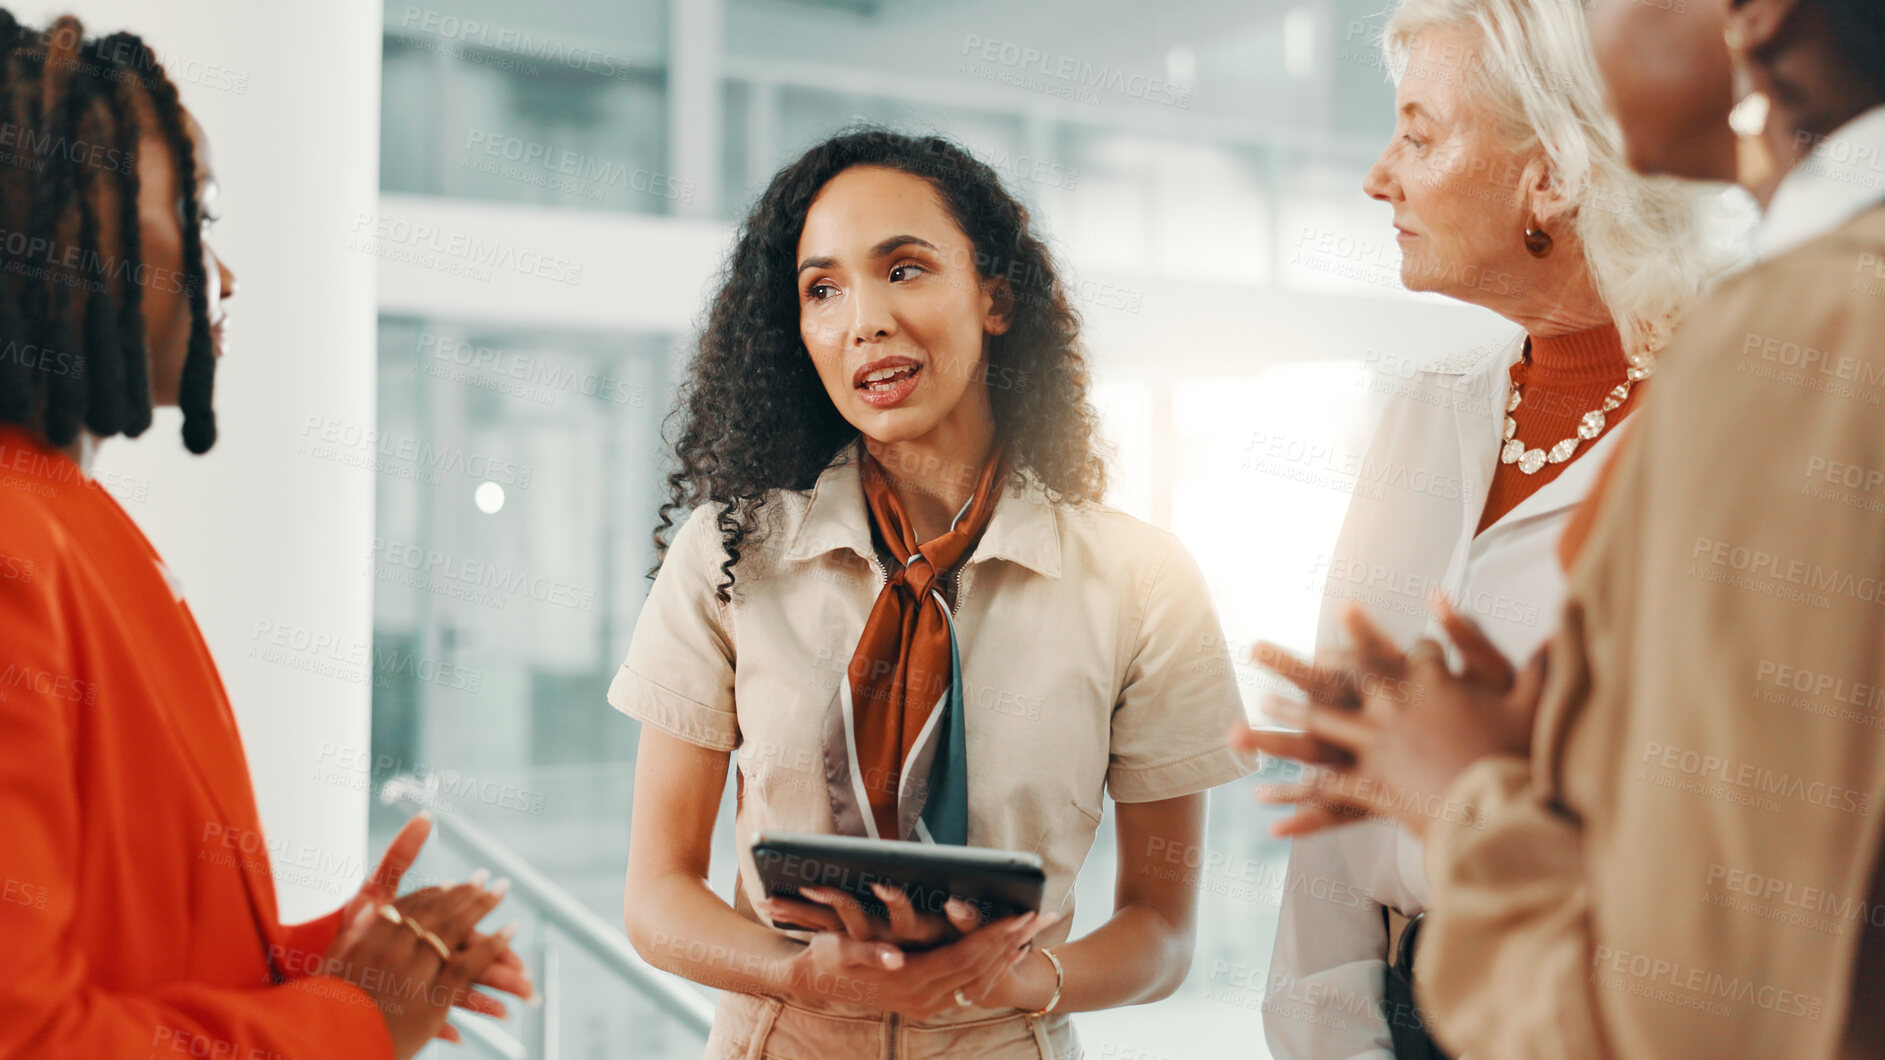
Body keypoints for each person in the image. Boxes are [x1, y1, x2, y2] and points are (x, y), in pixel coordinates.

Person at [1238, 0, 1885, 1056]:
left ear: (1548, 174)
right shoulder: (1422, 409)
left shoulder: (1774, 353)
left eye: (1417, 132)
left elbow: (1709, 987)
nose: (1377, 176)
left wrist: (1474, 797)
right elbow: (1337, 804)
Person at [615, 126, 1258, 1059]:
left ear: (994, 297)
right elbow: (655, 897)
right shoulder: (727, 555)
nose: (862, 319)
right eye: (822, 289)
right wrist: (793, 971)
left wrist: (1019, 979)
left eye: (904, 270)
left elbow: (1162, 932)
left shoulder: (1140, 580)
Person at [0, 13, 531, 1059]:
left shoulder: (72, 516)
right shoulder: (19, 543)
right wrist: (350, 1020)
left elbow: (121, 950)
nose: (223, 275)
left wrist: (324, 963)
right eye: (195, 215)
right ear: (57, 221)